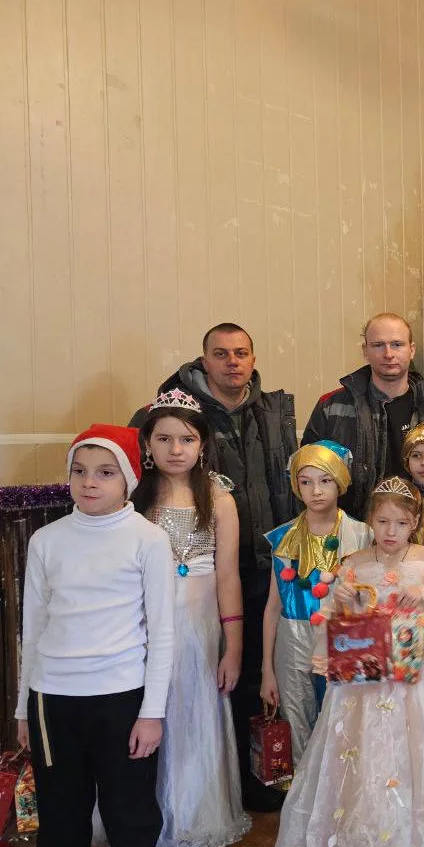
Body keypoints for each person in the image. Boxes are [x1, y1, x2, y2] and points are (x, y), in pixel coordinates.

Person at [267, 477, 424, 847]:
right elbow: (332, 624)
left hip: (416, 687)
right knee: (377, 767)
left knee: (417, 766)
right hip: (365, 687)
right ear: (370, 522)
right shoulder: (354, 564)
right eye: (382, 522)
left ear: (414, 523)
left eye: (400, 523)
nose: (390, 531)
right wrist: (340, 601)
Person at [15, 425, 174, 847]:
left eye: (105, 472)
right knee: (61, 812)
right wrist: (23, 710)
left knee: (130, 808)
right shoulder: (47, 541)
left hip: (122, 699)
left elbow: (162, 632)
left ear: (128, 479)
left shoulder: (148, 539)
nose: (89, 483)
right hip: (52, 699)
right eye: (79, 472)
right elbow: (33, 628)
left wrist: (152, 712)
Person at [130, 322, 298, 812]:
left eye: (241, 352)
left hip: (251, 569)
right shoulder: (171, 417)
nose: (232, 361)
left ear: (253, 358)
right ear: (204, 361)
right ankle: (150, 808)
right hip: (165, 608)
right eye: (221, 353)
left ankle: (243, 782)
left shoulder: (273, 411)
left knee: (238, 685)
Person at [132, 391, 251, 847]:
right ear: (147, 444)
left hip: (200, 634)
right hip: (143, 634)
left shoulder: (218, 499)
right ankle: (149, 843)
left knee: (194, 731)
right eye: (164, 439)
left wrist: (233, 647)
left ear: (202, 445)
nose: (175, 449)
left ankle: (194, 842)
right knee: (149, 732)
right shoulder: (135, 496)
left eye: (186, 439)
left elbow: (228, 577)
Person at [260, 441, 372, 764]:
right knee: (296, 721)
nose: (316, 491)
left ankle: (338, 791)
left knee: (341, 723)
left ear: (340, 482)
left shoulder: (361, 535)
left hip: (341, 638)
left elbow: (369, 602)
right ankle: (301, 791)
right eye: (306, 482)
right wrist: (267, 669)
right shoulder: (282, 538)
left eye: (325, 480)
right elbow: (272, 606)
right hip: (292, 639)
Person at [303, 312, 424, 518]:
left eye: (397, 344)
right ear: (365, 351)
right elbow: (306, 475)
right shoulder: (331, 408)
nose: (388, 354)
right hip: (350, 530)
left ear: (411, 350)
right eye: (378, 345)